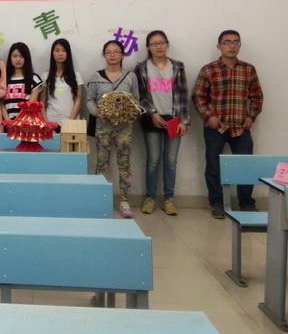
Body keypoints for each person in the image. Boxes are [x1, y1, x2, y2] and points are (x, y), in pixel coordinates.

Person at [192, 30, 263, 219]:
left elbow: (257, 97)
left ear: (240, 46)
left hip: (241, 127)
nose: (232, 46)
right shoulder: (208, 70)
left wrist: (251, 116)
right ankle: (217, 203)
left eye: (235, 42)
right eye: (227, 42)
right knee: (214, 166)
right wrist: (209, 116)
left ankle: (246, 203)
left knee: (246, 166)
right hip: (216, 127)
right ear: (219, 46)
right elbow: (198, 96)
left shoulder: (248, 69)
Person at [134, 31, 190, 216]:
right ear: (148, 47)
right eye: (154, 43)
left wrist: (184, 121)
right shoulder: (141, 68)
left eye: (161, 43)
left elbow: (183, 94)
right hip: (152, 118)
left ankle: (169, 199)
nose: (158, 46)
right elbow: (140, 95)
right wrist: (152, 113)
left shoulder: (177, 66)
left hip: (174, 118)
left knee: (171, 161)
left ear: (167, 44)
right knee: (153, 160)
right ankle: (150, 198)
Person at [87, 40, 140, 218]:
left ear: (122, 54)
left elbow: (136, 100)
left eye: (116, 51)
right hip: (102, 127)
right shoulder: (95, 76)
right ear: (104, 55)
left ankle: (124, 200)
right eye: (108, 52)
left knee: (124, 164)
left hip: (124, 129)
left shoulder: (130, 76)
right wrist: (97, 113)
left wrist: (128, 113)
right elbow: (89, 100)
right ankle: (98, 199)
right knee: (101, 163)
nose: (112, 55)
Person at [41, 38, 84, 128]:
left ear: (68, 53)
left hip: (72, 120)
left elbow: (78, 100)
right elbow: (42, 102)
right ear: (52, 53)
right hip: (51, 120)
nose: (60, 53)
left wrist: (69, 122)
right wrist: (46, 122)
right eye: (57, 50)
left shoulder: (76, 75)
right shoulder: (45, 75)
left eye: (64, 50)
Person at [2, 42, 43, 123]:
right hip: (8, 124)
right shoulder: (4, 79)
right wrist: (7, 120)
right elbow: (1, 103)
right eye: (15, 56)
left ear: (26, 58)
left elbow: (31, 103)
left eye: (21, 56)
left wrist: (19, 119)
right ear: (10, 58)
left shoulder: (34, 79)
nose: (18, 59)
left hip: (27, 124)